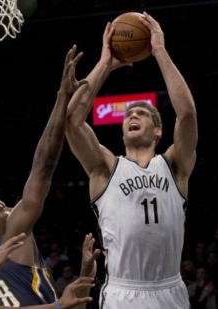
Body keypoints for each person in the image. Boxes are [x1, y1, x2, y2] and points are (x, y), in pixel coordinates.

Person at [65, 11, 197, 309]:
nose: (132, 115)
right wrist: (105, 65)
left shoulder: (175, 165)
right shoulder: (106, 167)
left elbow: (187, 113)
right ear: (123, 133)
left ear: (158, 130)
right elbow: (71, 121)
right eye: (128, 115)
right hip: (123, 292)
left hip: (170, 289)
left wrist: (159, 51)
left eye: (142, 113)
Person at [0, 45, 100, 306]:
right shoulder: (12, 238)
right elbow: (44, 165)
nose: (12, 208)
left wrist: (84, 275)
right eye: (3, 208)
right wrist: (62, 96)